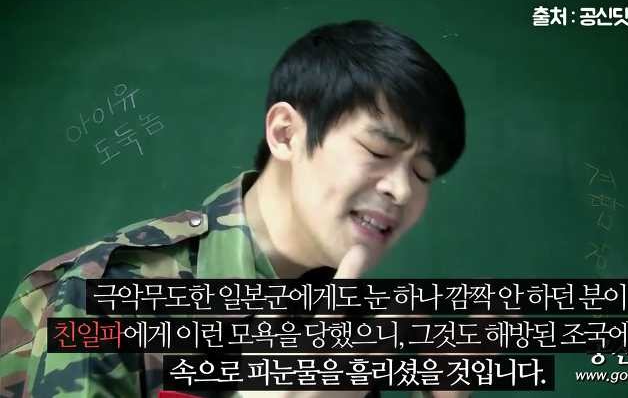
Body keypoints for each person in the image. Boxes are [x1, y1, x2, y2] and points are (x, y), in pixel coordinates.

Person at [0, 20, 466, 397]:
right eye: (378, 151)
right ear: (286, 134)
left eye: (423, 173)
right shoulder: (109, 292)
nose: (402, 190)